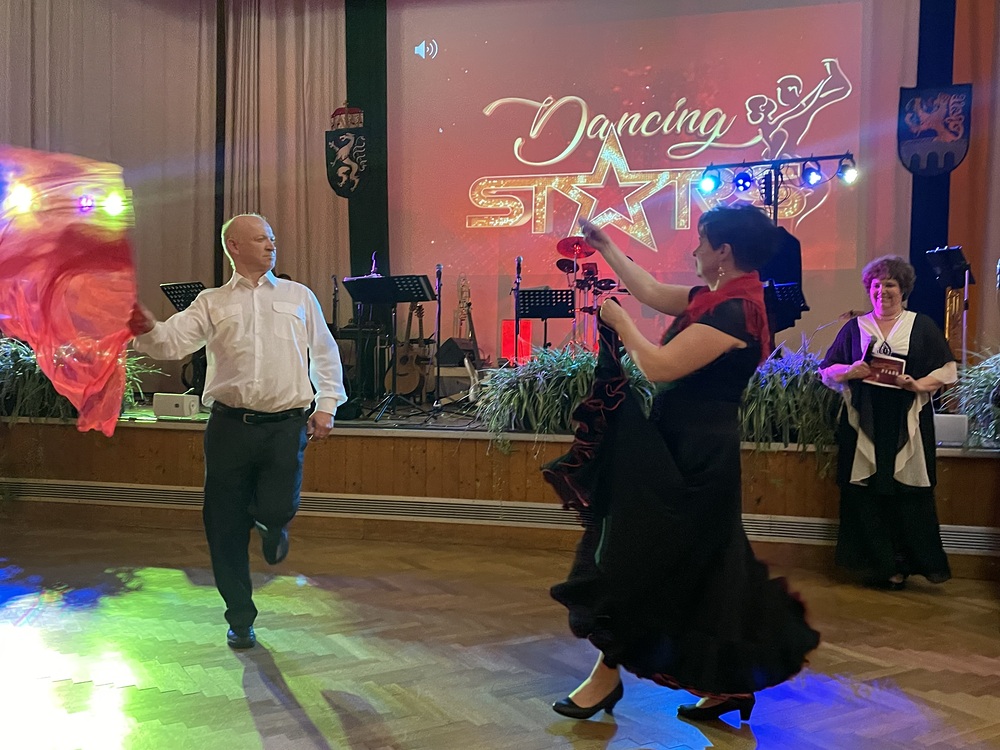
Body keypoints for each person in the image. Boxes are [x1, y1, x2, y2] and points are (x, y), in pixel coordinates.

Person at [544, 205, 819, 724]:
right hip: (680, 445)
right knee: (704, 573)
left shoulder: (736, 313)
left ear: (723, 252)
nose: (694, 250)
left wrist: (621, 322)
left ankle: (606, 676)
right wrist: (606, 246)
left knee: (642, 559)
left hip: (697, 457)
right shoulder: (715, 300)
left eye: (701, 241)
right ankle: (728, 684)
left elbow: (660, 366)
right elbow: (650, 290)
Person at [128, 213, 347, 649]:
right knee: (223, 526)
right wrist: (147, 328)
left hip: (285, 425)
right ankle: (240, 618)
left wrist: (327, 404)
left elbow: (324, 353)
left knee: (278, 505)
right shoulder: (211, 302)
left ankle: (272, 524)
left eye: (272, 239)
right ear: (234, 247)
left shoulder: (299, 296)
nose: (271, 245)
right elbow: (171, 342)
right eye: (261, 239)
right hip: (229, 428)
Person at [818, 255, 955, 590]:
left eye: (890, 284)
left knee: (906, 493)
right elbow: (827, 370)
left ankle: (906, 563)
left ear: (903, 288)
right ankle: (880, 566)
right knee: (865, 494)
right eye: (876, 285)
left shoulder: (921, 326)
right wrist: (850, 371)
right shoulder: (855, 327)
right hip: (863, 420)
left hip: (907, 421)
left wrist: (917, 384)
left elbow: (947, 370)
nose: (883, 291)